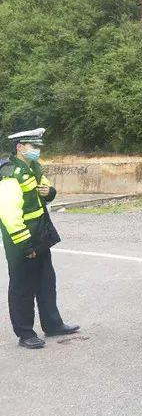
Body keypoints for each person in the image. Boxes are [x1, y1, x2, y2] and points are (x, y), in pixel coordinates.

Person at [0, 128, 79, 349]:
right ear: (20, 147)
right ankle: (25, 333)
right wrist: (25, 245)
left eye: (38, 147)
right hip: (21, 238)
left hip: (40, 234)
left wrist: (50, 192)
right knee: (23, 286)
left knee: (46, 282)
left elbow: (45, 186)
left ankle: (53, 324)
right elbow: (8, 213)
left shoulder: (34, 166)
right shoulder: (10, 173)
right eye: (33, 146)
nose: (37, 150)